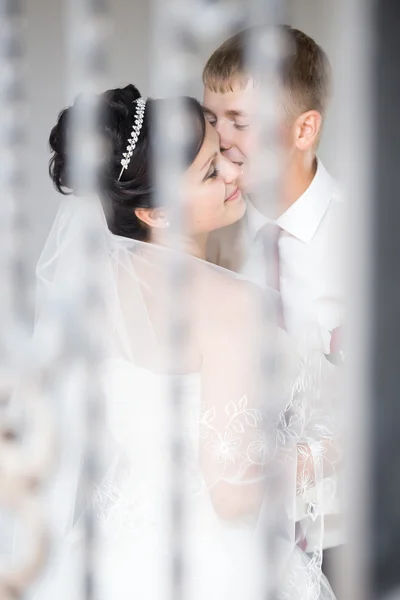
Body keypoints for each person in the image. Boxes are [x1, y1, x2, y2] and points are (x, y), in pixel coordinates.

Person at [32, 84, 338, 600]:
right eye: (211, 172)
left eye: (222, 156)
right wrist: (338, 446)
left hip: (110, 554)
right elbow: (234, 494)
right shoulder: (229, 301)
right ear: (156, 214)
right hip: (211, 567)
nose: (234, 174)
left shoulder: (96, 289)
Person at [203, 25, 345, 585]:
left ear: (304, 128)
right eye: (212, 120)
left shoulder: (372, 238)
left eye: (240, 121)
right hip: (233, 540)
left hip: (345, 528)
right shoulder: (206, 238)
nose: (222, 139)